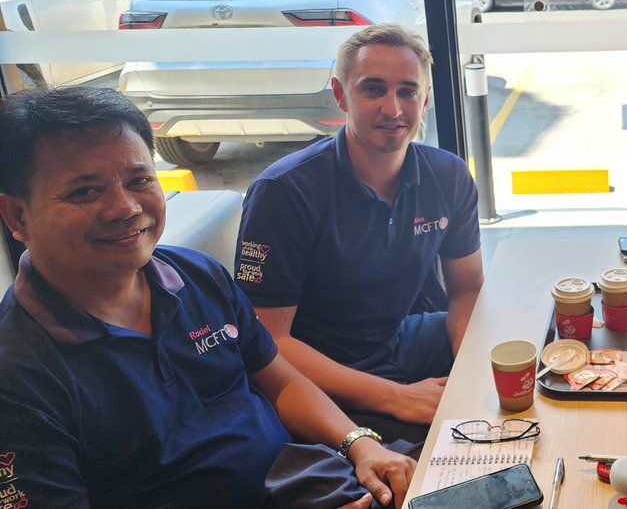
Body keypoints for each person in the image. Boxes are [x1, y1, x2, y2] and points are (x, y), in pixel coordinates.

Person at [0, 86, 415, 508]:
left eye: (139, 179)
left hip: (308, 480)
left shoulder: (195, 275)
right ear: (17, 215)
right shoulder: (18, 374)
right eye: (85, 192)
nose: (124, 207)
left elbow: (282, 382)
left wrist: (362, 446)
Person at [234, 24, 484, 442]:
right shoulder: (284, 191)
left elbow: (468, 288)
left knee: (527, 362)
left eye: (407, 91)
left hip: (397, 338)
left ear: (425, 98)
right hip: (317, 373)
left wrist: (469, 366)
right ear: (339, 93)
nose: (393, 108)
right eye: (373, 89)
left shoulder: (448, 175)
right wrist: (396, 397)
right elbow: (268, 340)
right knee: (432, 461)